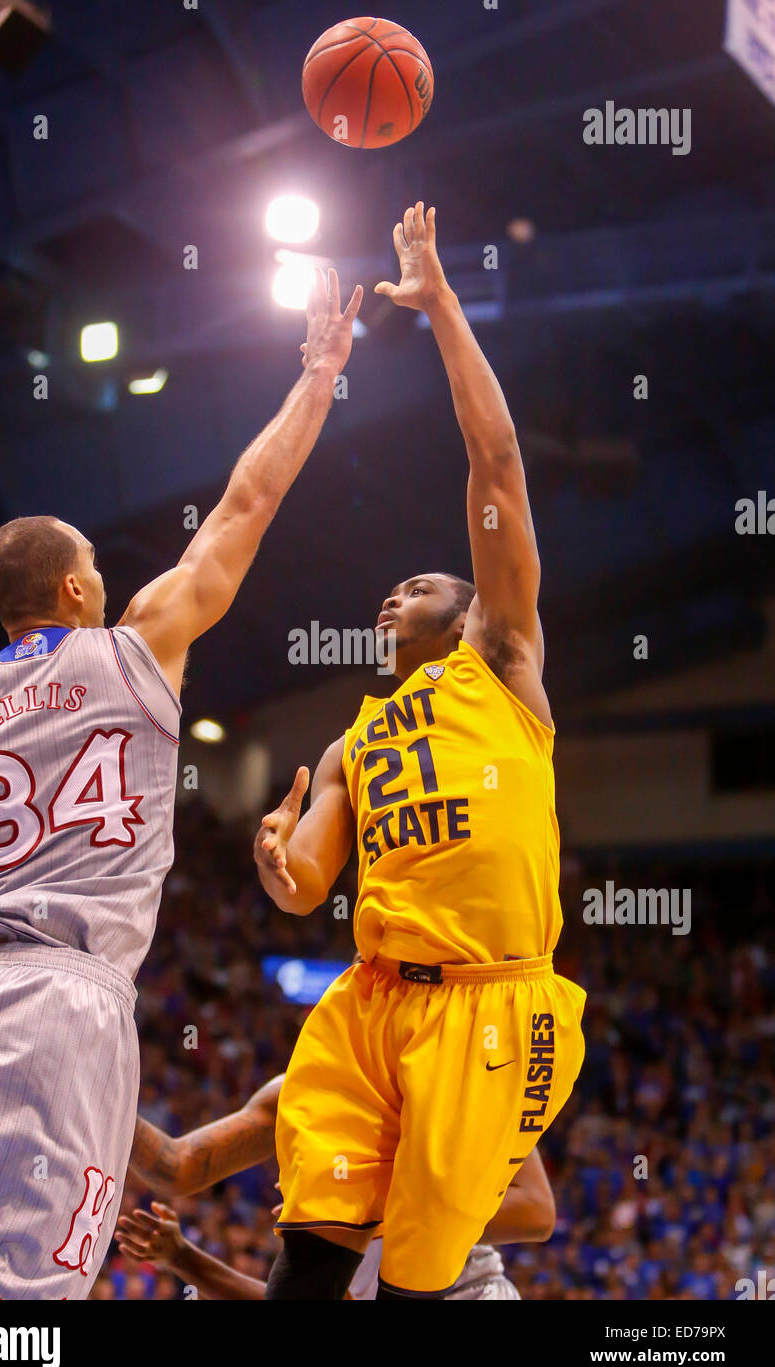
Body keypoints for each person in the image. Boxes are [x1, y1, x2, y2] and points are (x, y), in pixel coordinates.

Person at [0, 268, 362, 1301]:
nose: (107, 585)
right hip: (63, 1004)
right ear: (76, 588)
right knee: (9, 1305)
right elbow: (247, 502)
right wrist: (316, 373)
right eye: (97, 575)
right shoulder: (135, 647)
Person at [254, 203, 586, 1300]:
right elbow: (307, 887)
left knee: (414, 1287)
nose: (397, 589)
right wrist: (278, 864)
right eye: (388, 587)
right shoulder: (356, 733)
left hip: (487, 1004)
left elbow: (495, 461)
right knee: (309, 1261)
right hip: (373, 998)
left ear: (463, 607)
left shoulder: (500, 657)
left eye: (421, 581)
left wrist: (440, 303)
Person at [116, 1075, 555, 1300]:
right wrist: (100, 1098)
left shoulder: (463, 1077)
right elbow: (178, 1167)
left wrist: (362, 1209)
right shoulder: (305, 1091)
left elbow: (535, 1212)